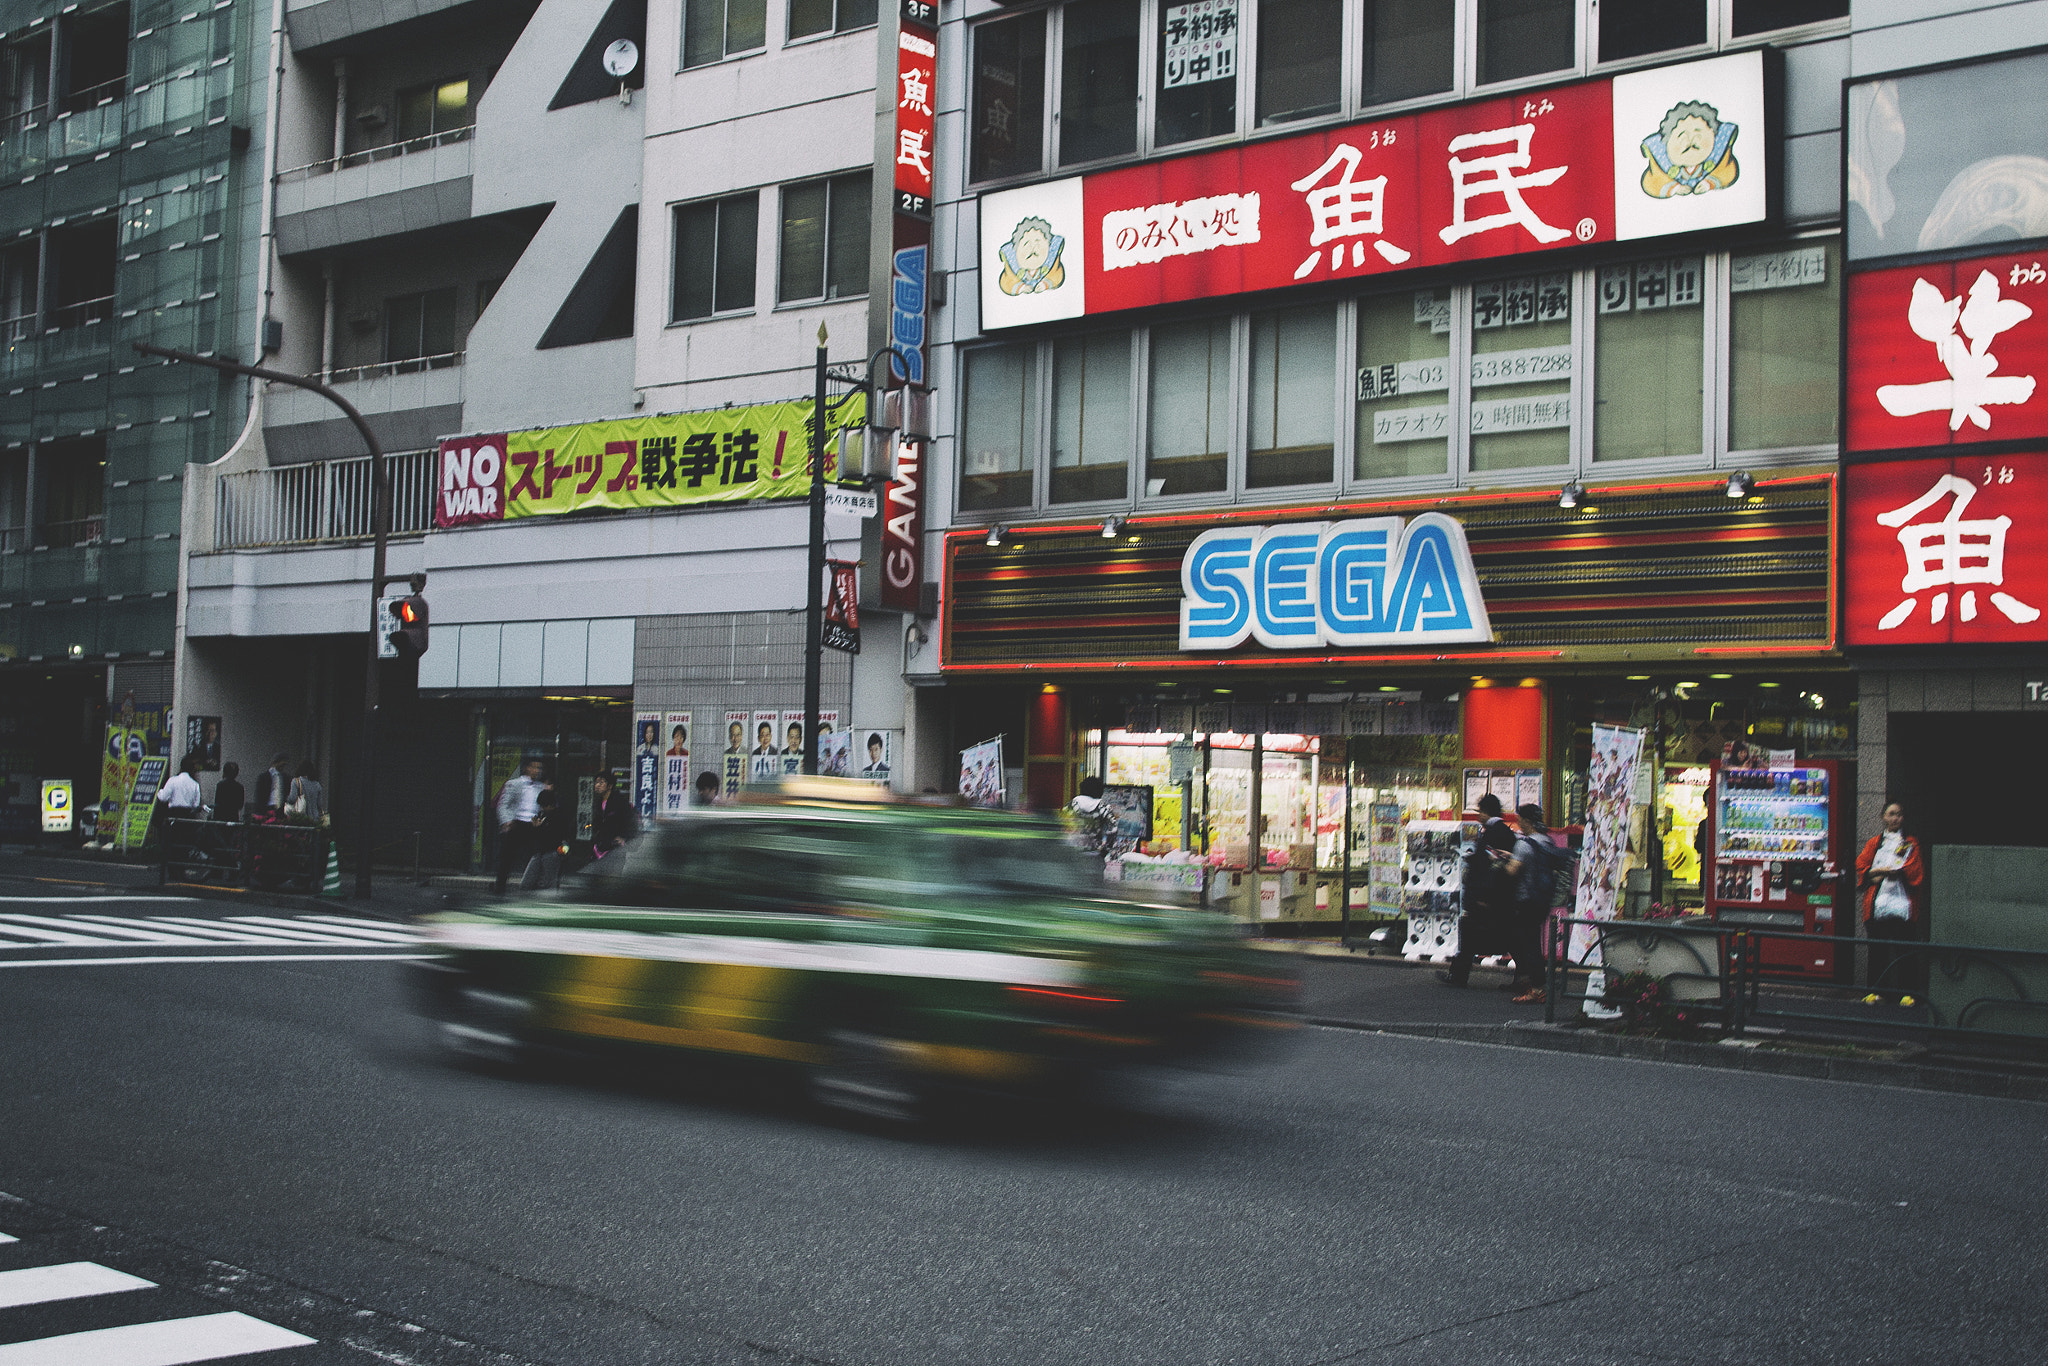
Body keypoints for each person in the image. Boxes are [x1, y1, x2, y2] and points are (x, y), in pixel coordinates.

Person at [1440, 793, 1518, 987]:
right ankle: (1523, 976)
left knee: (1469, 936)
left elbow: (1490, 868)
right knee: (1506, 937)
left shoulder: (1492, 833)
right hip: (1499, 897)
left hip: (1486, 896)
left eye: (1479, 811)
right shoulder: (1505, 832)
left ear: (1486, 812)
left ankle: (1458, 976)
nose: (1477, 815)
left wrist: (1482, 895)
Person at [1856, 801, 1925, 1004]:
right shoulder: (1875, 843)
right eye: (1891, 814)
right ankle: (1876, 991)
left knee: (1905, 951)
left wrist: (1881, 872)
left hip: (1902, 904)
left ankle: (1908, 993)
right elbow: (1861, 865)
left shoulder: (1910, 842)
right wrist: (1878, 872)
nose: (1896, 818)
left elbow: (1914, 870)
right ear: (1883, 817)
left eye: (1899, 814)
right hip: (1877, 906)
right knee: (1877, 951)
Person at [1504, 803, 1568, 1002]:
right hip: (1542, 899)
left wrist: (1501, 863)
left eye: (1520, 819)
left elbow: (1511, 871)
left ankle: (1538, 988)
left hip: (1526, 900)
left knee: (1527, 943)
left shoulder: (1524, 844)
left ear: (1526, 821)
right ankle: (1533, 981)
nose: (1518, 822)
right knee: (1530, 941)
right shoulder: (1546, 841)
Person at [494, 758, 546, 893]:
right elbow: (504, 805)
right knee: (507, 857)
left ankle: (534, 885)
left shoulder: (541, 786)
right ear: (526, 768)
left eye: (539, 768)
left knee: (536, 855)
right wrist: (506, 821)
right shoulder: (514, 784)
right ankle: (500, 886)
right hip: (516, 823)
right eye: (533, 767)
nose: (536, 771)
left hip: (533, 823)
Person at [590, 771, 639, 855]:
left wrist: (624, 838)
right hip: (600, 848)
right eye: (596, 782)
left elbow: (631, 822)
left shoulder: (620, 802)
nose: (597, 785)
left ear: (610, 786)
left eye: (601, 783)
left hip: (615, 850)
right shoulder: (598, 803)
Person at [157, 753, 204, 818]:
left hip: (173, 816)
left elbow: (163, 798)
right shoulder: (195, 784)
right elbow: (196, 805)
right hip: (188, 817)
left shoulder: (172, 780)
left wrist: (159, 791)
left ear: (181, 767)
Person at [286, 760, 327, 825]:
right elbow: (320, 804)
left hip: (301, 818)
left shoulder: (296, 782)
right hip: (315, 819)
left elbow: (292, 799)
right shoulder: (317, 784)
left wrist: (286, 799)